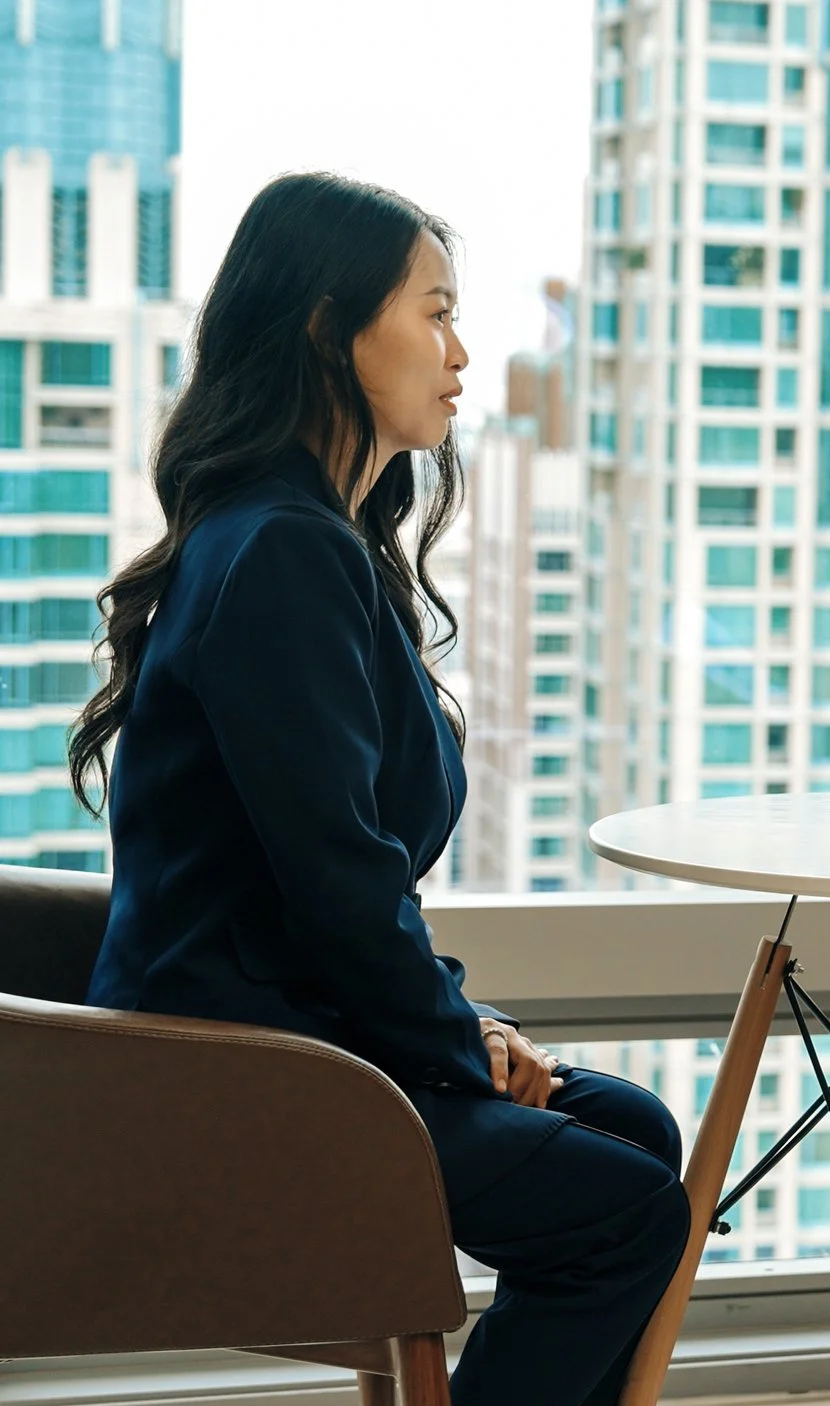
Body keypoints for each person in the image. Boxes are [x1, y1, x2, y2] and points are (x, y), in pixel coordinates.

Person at [74, 174, 687, 1406]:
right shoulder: (282, 550)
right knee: (622, 1205)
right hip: (237, 1071)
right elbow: (340, 883)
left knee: (631, 1131)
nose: (462, 354)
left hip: (292, 1026)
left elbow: (326, 887)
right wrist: (458, 1039)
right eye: (436, 313)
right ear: (327, 328)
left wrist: (462, 1029)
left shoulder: (305, 535)